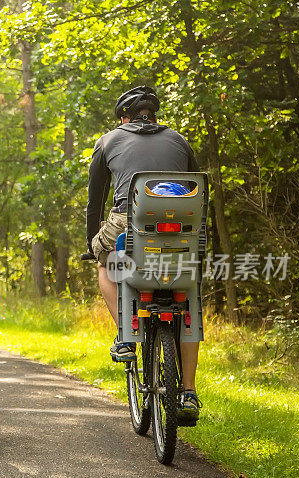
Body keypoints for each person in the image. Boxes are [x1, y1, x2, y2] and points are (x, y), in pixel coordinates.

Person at [86, 86, 202, 422]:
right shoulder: (179, 140)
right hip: (183, 227)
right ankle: (189, 392)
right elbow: (196, 186)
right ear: (155, 115)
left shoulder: (108, 140)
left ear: (124, 117)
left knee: (107, 266)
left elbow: (96, 201)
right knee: (188, 293)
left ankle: (125, 335)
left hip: (129, 222)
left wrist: (92, 244)